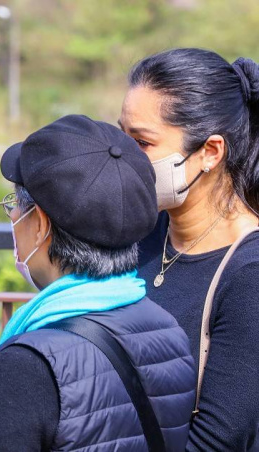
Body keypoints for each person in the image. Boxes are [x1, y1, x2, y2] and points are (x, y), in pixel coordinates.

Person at [0, 115, 196, 451]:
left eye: (15, 206)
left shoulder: (27, 365)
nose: (12, 218)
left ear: (40, 223)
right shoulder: (167, 330)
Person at [120, 49, 259, 450]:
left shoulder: (249, 273)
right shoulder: (141, 231)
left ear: (210, 152)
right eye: (121, 135)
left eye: (142, 143)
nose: (124, 156)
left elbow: (217, 440)